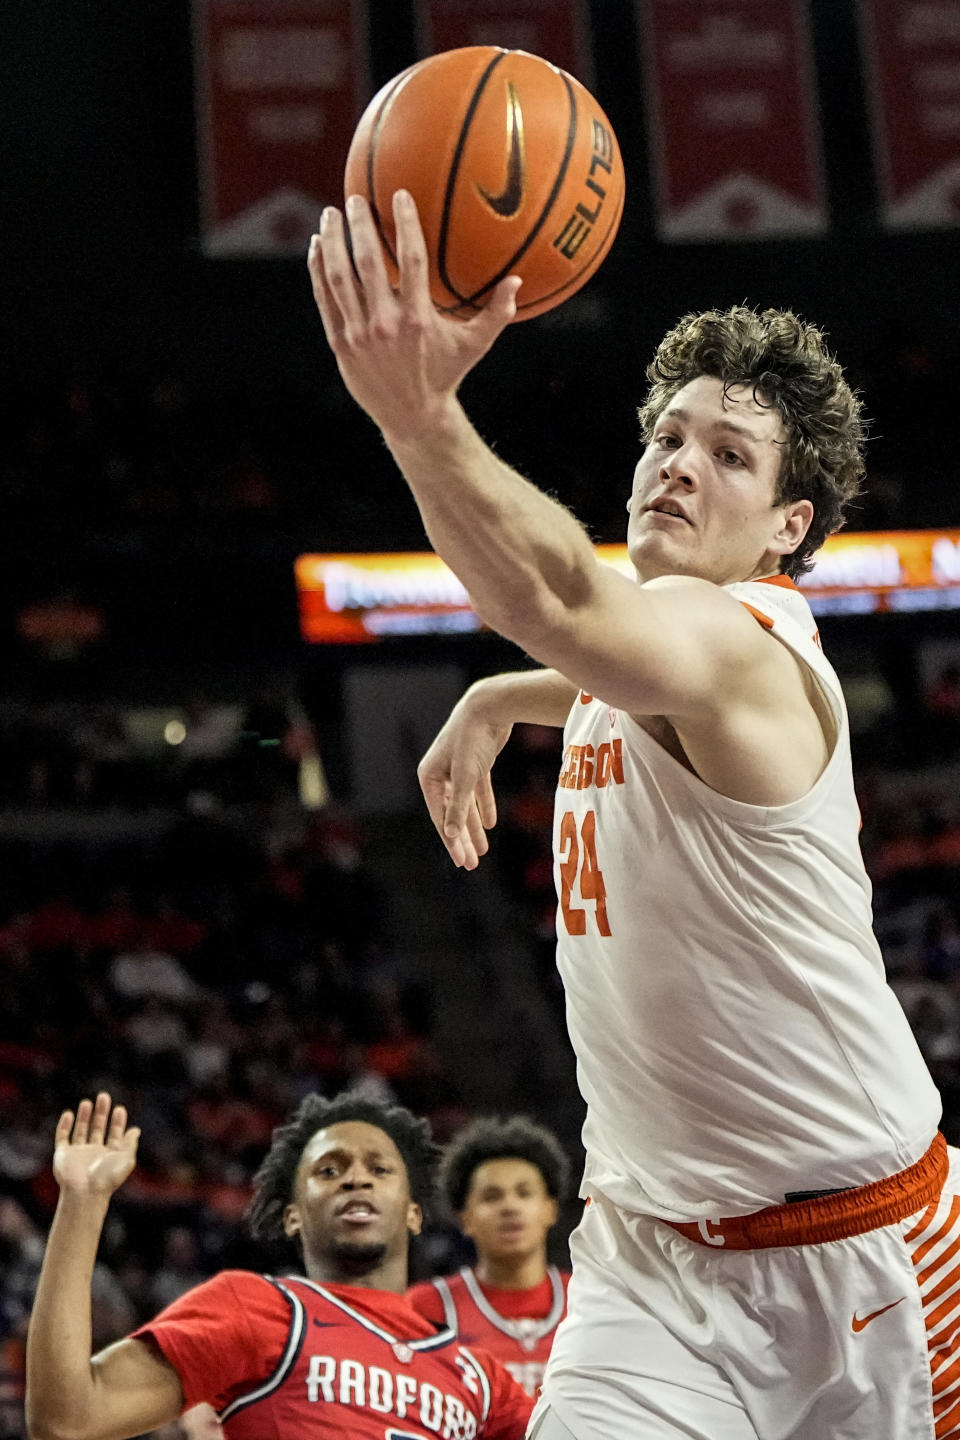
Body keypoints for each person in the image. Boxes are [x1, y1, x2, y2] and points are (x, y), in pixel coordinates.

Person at [306, 192, 959, 1440]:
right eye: (669, 434)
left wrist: (420, 416)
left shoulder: (745, 641)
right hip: (651, 1260)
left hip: (862, 1259)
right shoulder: (650, 662)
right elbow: (594, 652)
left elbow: (562, 600)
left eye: (729, 455)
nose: (679, 462)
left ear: (788, 529)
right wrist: (507, 695)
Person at [25, 1090, 534, 1440]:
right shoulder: (254, 1309)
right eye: (329, 1170)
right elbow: (67, 1421)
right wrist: (83, 1202)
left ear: (414, 1212)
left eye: (379, 1169)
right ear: (293, 1216)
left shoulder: (480, 1378)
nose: (356, 1179)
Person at [408, 1118, 570, 1396]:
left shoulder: (588, 1298)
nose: (510, 1206)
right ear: (465, 1218)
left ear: (550, 1209)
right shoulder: (425, 1308)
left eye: (524, 1193)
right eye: (492, 1197)